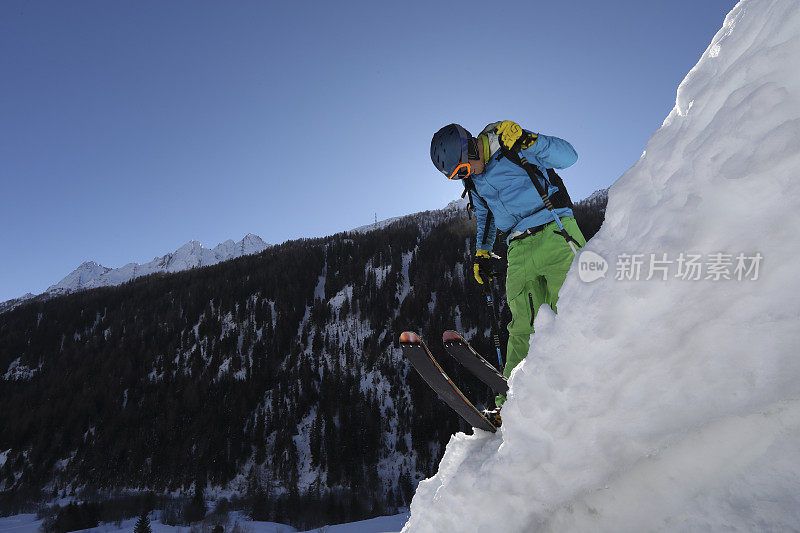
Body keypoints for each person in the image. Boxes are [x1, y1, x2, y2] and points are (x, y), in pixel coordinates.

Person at [430, 121, 586, 418]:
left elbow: (570, 157)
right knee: (520, 328)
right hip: (518, 246)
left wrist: (531, 140)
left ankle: (581, 386)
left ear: (471, 147)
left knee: (573, 309)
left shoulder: (510, 143)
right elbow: (485, 217)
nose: (465, 177)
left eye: (462, 169)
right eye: (457, 177)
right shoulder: (474, 182)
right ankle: (511, 407)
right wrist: (482, 253)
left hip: (556, 229)